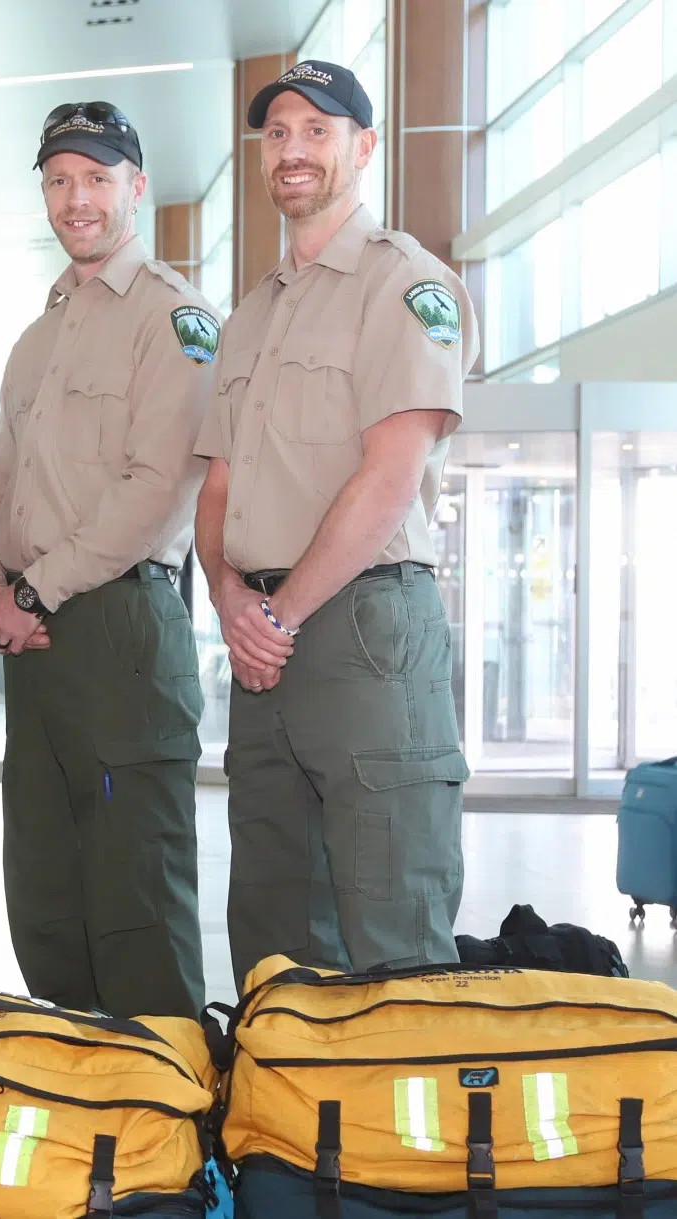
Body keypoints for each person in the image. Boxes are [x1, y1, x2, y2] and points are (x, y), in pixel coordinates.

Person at [192, 61, 478, 988]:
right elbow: (219, 489)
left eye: (318, 129)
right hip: (262, 641)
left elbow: (391, 476)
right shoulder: (249, 318)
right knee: (274, 930)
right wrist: (233, 598)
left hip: (362, 628)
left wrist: (278, 615)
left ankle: (408, 1136)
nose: (294, 149)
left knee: (390, 918)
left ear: (363, 147)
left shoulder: (404, 285)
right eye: (277, 133)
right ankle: (286, 1131)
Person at [0, 103, 215, 1019]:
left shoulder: (174, 316)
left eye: (98, 177)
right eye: (61, 179)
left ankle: (168, 1127)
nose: (78, 198)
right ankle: (81, 1103)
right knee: (46, 889)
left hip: (116, 624)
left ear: (136, 188)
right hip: (34, 639)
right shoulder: (39, 338)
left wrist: (33, 586)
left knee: (134, 899)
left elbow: (157, 484)